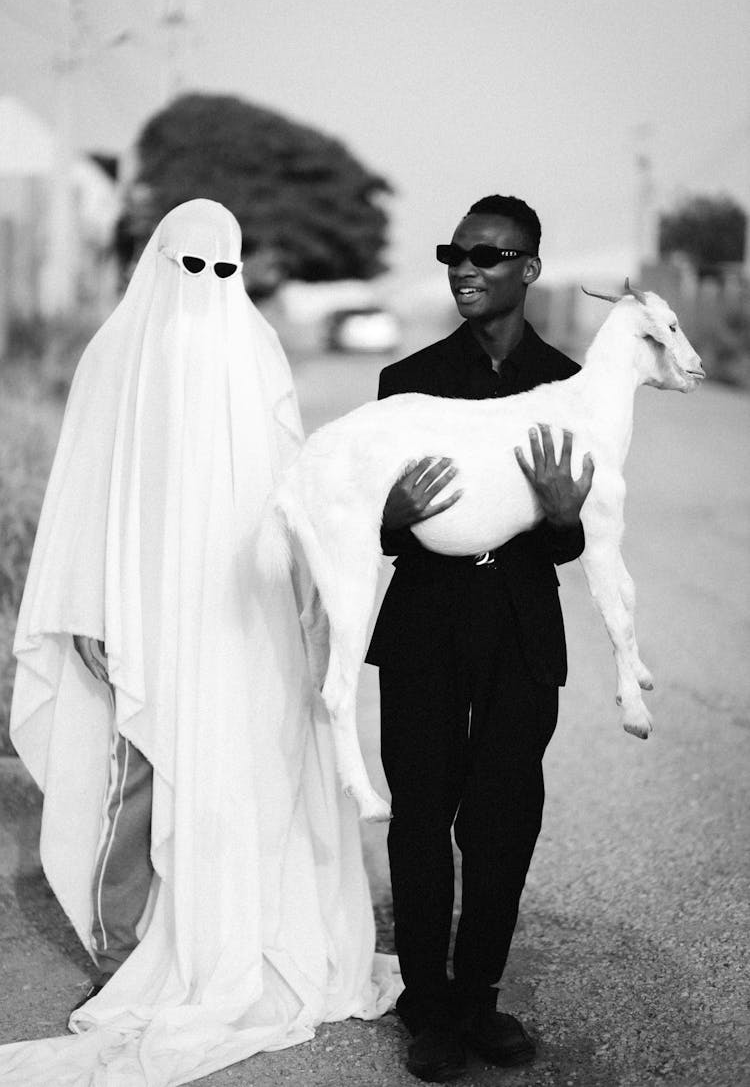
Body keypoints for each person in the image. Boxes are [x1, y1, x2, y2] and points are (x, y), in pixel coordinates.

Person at [1, 199, 398, 1086]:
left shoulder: (256, 350)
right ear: (156, 261)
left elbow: (290, 485)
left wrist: (312, 597)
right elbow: (82, 491)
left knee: (246, 771)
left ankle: (238, 926)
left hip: (244, 616)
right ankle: (135, 945)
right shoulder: (117, 354)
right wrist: (88, 610)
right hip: (144, 607)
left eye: (226, 269)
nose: (209, 287)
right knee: (141, 773)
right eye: (192, 266)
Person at [366, 194, 594, 1081]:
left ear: (528, 269)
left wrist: (565, 520)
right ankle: (428, 1005)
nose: (466, 267)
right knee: (420, 817)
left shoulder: (570, 386)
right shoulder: (406, 381)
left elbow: (580, 537)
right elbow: (369, 523)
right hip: (424, 622)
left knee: (503, 820)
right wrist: (389, 517)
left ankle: (480, 996)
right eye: (455, 252)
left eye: (489, 255)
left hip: (521, 630)